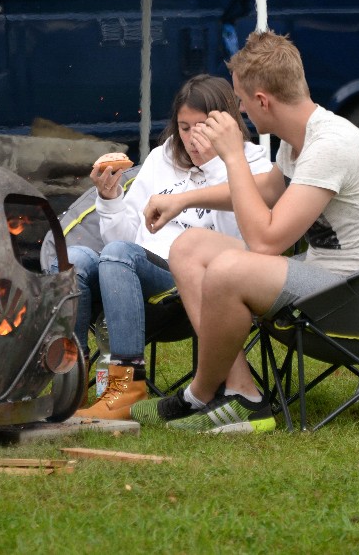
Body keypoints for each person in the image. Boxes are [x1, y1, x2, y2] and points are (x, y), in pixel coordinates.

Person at [132, 30, 359, 433]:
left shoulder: (329, 146)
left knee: (229, 269)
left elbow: (265, 241)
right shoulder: (298, 143)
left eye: (242, 103)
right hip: (328, 277)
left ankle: (198, 395)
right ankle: (243, 394)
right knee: (189, 246)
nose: (242, 112)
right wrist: (183, 200)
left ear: (263, 101)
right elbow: (265, 191)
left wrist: (232, 155)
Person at [53, 74, 272, 420]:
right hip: (131, 271)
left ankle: (127, 385)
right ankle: (68, 384)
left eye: (203, 127)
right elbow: (124, 239)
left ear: (226, 123)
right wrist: (110, 200)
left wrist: (218, 165)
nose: (192, 139)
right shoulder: (162, 158)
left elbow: (242, 243)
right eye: (184, 128)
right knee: (76, 260)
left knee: (119, 256)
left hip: (193, 283)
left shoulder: (254, 165)